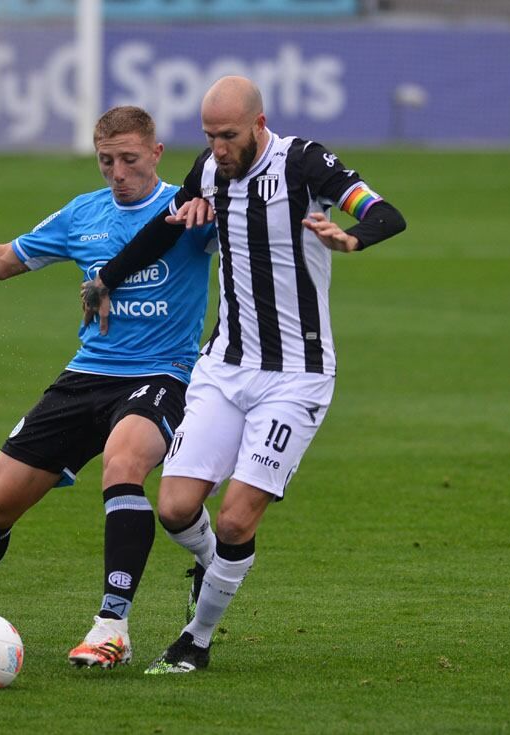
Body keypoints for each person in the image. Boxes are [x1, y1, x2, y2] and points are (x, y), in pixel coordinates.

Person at [81, 76, 407, 674]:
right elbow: (163, 228)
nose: (218, 148)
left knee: (235, 518)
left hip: (296, 376)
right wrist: (108, 279)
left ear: (259, 124)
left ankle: (195, 640)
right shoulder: (210, 169)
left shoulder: (304, 163)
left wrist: (352, 237)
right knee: (175, 507)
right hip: (224, 367)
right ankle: (214, 568)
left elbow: (385, 212)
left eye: (228, 135)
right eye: (209, 136)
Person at [0, 106, 216, 668]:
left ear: (156, 154)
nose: (118, 173)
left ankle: (112, 626)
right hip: (87, 375)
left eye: (130, 159)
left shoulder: (190, 210)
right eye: (106, 161)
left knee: (123, 462)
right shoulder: (83, 213)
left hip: (162, 374)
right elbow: (1, 261)